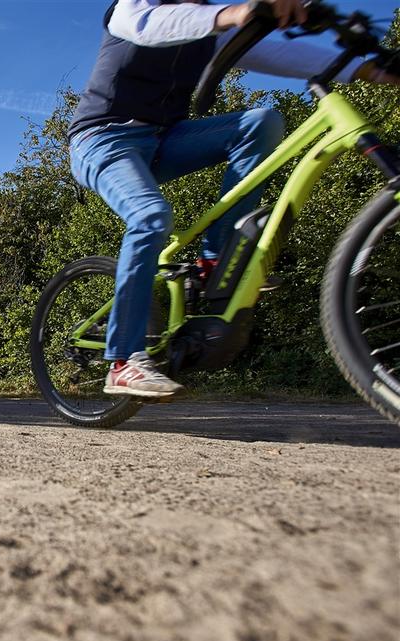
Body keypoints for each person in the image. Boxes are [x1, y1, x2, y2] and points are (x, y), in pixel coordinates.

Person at [68, 0, 400, 398]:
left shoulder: (211, 28)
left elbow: (282, 51)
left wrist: (369, 68)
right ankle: (123, 360)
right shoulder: (134, 7)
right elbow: (146, 25)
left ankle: (216, 261)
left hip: (163, 141)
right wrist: (234, 13)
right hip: (102, 140)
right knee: (151, 215)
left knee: (262, 122)